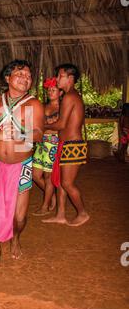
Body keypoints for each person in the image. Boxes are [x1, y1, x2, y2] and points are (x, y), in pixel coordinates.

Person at [0, 59, 44, 266]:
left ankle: (15, 238)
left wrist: (20, 132)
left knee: (19, 217)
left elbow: (38, 134)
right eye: (20, 74)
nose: (25, 79)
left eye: (28, 76)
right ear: (7, 78)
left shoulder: (34, 103)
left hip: (21, 165)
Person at [42, 63, 90, 227]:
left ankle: (82, 213)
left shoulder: (70, 97)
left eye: (60, 76)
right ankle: (61, 215)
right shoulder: (70, 96)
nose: (57, 79)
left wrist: (42, 127)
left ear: (70, 78)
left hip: (72, 145)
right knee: (61, 181)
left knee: (67, 183)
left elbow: (61, 125)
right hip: (67, 144)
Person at [32, 77, 61, 215]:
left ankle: (45, 206)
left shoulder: (63, 107)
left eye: (54, 90)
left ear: (60, 93)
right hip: (41, 142)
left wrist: (44, 125)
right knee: (35, 175)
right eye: (49, 89)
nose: (50, 92)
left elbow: (60, 126)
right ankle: (52, 195)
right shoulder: (43, 106)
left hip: (54, 143)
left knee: (49, 177)